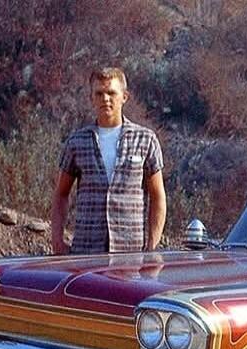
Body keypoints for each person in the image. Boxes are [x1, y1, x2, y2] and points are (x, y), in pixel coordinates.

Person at [51, 67, 166, 254]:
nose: (105, 99)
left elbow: (158, 195)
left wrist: (152, 246)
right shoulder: (77, 142)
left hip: (130, 254)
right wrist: (57, 239)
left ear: (124, 97)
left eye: (111, 93)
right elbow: (61, 194)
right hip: (86, 252)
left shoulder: (145, 140)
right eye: (99, 93)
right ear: (91, 98)